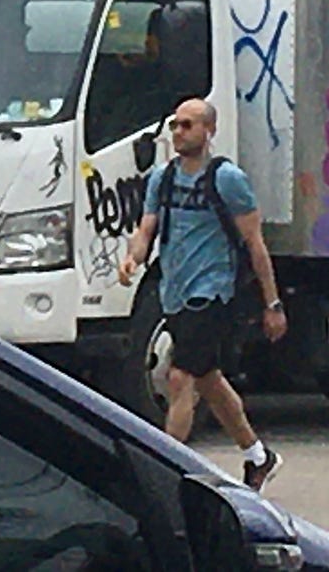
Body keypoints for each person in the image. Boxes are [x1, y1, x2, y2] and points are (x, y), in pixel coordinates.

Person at [117, 96, 288, 492]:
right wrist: (132, 259)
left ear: (209, 131)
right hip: (174, 291)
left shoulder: (227, 179)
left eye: (188, 125)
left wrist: (272, 303)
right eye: (175, 125)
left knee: (179, 377)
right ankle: (258, 456)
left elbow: (254, 243)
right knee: (208, 379)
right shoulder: (164, 178)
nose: (179, 132)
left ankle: (169, 471)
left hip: (212, 292)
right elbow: (146, 229)